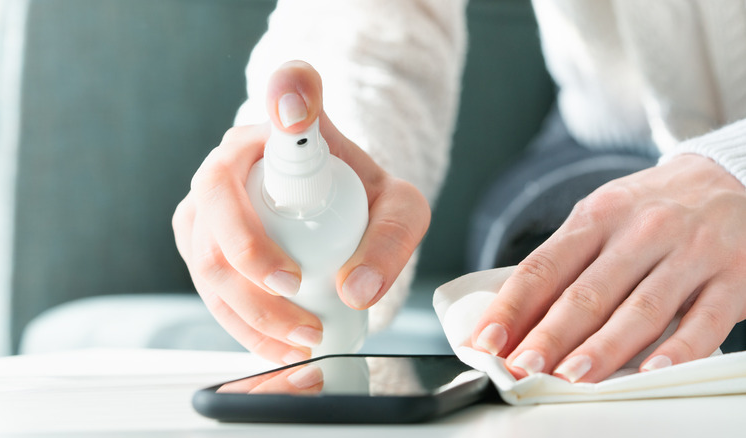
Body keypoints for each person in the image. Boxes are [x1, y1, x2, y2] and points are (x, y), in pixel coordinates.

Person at [172, 0, 746, 383]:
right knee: (561, 312)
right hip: (605, 151)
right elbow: (375, 28)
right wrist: (340, 170)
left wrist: (732, 169)